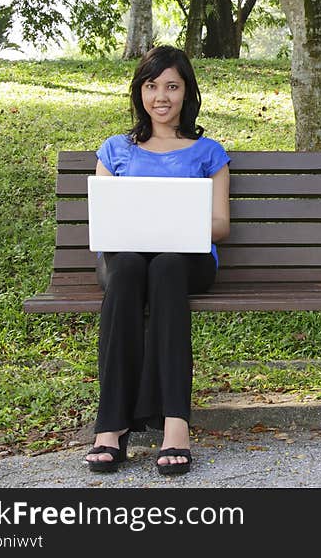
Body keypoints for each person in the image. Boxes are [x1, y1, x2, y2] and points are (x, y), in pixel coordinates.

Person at [84, 45, 231, 476]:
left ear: (187, 93)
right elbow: (105, 221)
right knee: (129, 267)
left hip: (187, 259)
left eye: (171, 86)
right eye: (151, 86)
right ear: (139, 92)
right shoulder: (115, 149)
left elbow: (220, 225)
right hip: (126, 258)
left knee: (166, 266)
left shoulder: (207, 151)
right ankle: (110, 427)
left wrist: (179, 224)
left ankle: (175, 425)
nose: (160, 96)